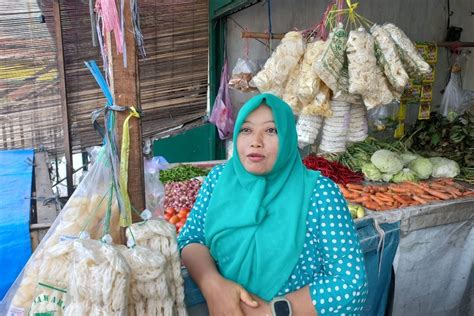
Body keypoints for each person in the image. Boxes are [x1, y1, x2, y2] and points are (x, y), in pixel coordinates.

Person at [178, 93, 368, 315]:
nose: (255, 141)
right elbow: (191, 238)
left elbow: (351, 284)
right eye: (246, 129)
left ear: (288, 137)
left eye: (271, 130)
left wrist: (270, 311)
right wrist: (213, 286)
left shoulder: (319, 193)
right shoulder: (219, 179)